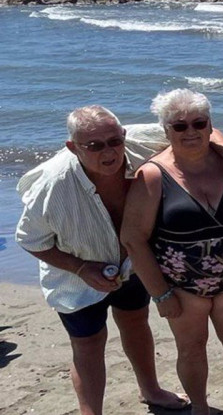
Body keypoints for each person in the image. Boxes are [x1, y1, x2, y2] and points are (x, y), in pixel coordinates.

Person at [16, 107, 189, 414]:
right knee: (89, 343)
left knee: (136, 322)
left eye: (114, 141)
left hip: (130, 263)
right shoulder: (53, 185)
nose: (108, 152)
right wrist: (81, 268)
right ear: (73, 147)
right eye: (94, 146)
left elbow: (195, 130)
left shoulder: (136, 144)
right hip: (73, 273)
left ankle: (150, 390)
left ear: (123, 135)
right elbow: (30, 240)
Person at [121, 89, 223, 415]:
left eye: (198, 123)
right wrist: (161, 295)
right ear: (166, 131)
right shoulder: (152, 176)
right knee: (192, 349)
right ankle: (201, 408)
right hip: (182, 289)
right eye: (179, 126)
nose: (190, 132)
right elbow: (134, 239)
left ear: (209, 126)